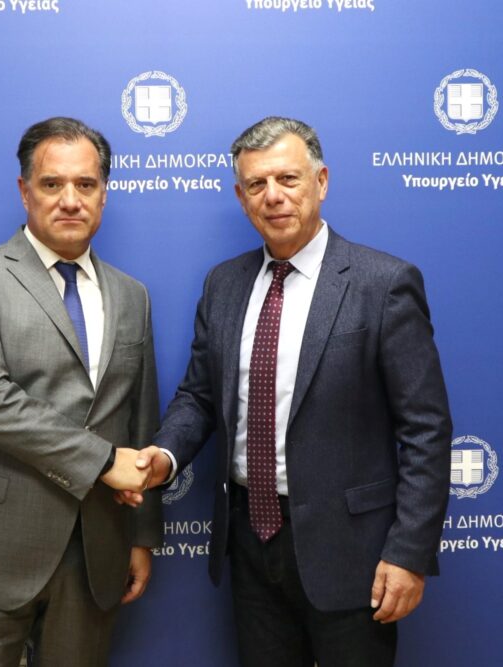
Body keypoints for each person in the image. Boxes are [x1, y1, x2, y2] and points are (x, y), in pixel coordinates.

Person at [125, 116, 452, 666]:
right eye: (256, 184)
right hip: (250, 542)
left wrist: (409, 553)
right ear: (241, 197)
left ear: (321, 181)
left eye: (288, 179)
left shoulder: (382, 283)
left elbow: (426, 430)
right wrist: (163, 457)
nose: (273, 196)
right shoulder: (223, 284)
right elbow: (200, 397)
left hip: (354, 553)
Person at [0, 117, 162, 667]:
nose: (70, 200)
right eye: (52, 184)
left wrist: (141, 535)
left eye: (86, 184)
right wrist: (105, 462)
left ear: (104, 193)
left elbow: (140, 417)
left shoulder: (133, 295)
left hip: (96, 553)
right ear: (24, 190)